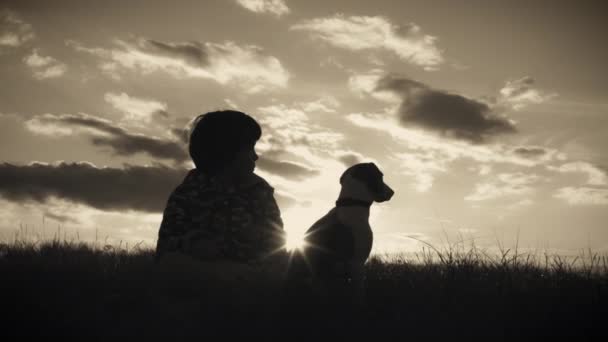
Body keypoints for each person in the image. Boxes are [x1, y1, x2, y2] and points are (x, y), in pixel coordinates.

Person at [154, 110, 286, 265]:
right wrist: (193, 245)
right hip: (199, 278)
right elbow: (165, 252)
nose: (255, 156)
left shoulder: (260, 192)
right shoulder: (187, 194)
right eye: (249, 148)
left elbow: (277, 247)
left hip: (252, 278)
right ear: (227, 151)